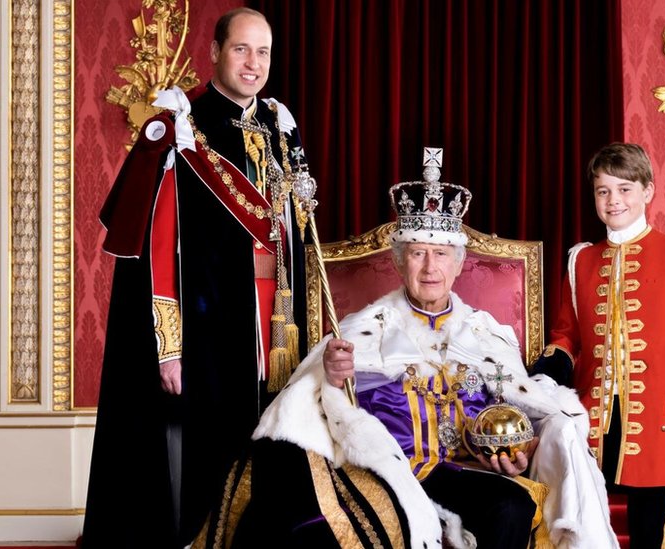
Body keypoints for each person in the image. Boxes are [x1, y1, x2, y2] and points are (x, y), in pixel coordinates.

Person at [199, 154, 619, 549]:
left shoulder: (487, 335)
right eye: (417, 253)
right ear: (399, 262)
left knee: (512, 505)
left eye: (440, 255)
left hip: (463, 471)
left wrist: (518, 452)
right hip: (386, 471)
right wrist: (331, 377)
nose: (429, 267)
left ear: (459, 264)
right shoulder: (363, 329)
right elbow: (312, 408)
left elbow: (525, 408)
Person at [83, 8, 310, 547]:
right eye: (241, 50)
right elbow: (158, 246)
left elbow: (296, 238)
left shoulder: (279, 125)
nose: (253, 64)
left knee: (273, 456)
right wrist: (168, 348)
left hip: (278, 324)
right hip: (211, 328)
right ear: (213, 52)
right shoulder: (183, 125)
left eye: (263, 52)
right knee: (213, 464)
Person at [532, 143, 665, 549]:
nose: (613, 200)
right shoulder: (581, 260)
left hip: (657, 417)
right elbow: (567, 333)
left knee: (649, 531)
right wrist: (548, 377)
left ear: (647, 192)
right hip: (593, 414)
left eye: (624, 189)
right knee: (585, 524)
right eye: (603, 191)